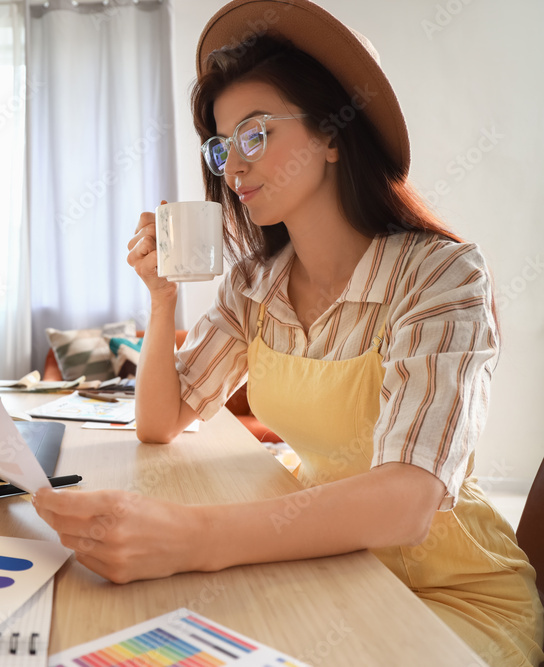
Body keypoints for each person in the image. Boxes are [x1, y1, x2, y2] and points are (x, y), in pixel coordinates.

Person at [31, 1, 544, 664]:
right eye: (221, 147)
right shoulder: (254, 283)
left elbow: (409, 500)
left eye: (256, 134)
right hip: (328, 566)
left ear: (333, 134)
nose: (232, 166)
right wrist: (162, 302)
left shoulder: (440, 275)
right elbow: (162, 420)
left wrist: (191, 535)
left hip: (449, 597)